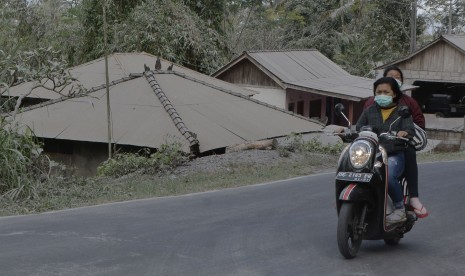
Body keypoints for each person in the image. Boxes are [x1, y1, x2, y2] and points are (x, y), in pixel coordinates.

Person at [363, 66, 428, 219]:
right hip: (375, 145)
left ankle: (412, 198)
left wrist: (406, 131)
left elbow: (418, 122)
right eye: (390, 76)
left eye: (397, 76)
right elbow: (361, 124)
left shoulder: (407, 103)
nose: (394, 79)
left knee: (407, 155)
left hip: (399, 145)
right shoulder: (370, 105)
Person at [357, 77, 415, 224]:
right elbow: (358, 128)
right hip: (370, 155)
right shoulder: (369, 110)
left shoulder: (403, 111)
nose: (381, 95)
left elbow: (410, 130)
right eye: (378, 92)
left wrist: (403, 133)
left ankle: (399, 209)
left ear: (394, 94)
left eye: (385, 92)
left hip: (393, 154)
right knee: (355, 172)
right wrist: (345, 131)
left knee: (388, 177)